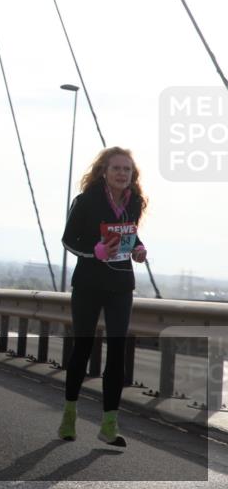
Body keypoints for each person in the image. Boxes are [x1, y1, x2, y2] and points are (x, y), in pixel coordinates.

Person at [58, 147, 148, 447]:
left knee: (118, 353)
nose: (123, 174)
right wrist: (94, 251)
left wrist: (138, 248)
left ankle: (109, 424)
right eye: (117, 169)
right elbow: (68, 240)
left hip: (121, 284)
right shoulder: (86, 201)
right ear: (103, 172)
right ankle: (69, 415)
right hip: (88, 283)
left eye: (127, 169)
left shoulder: (134, 201)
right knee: (82, 349)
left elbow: (130, 234)